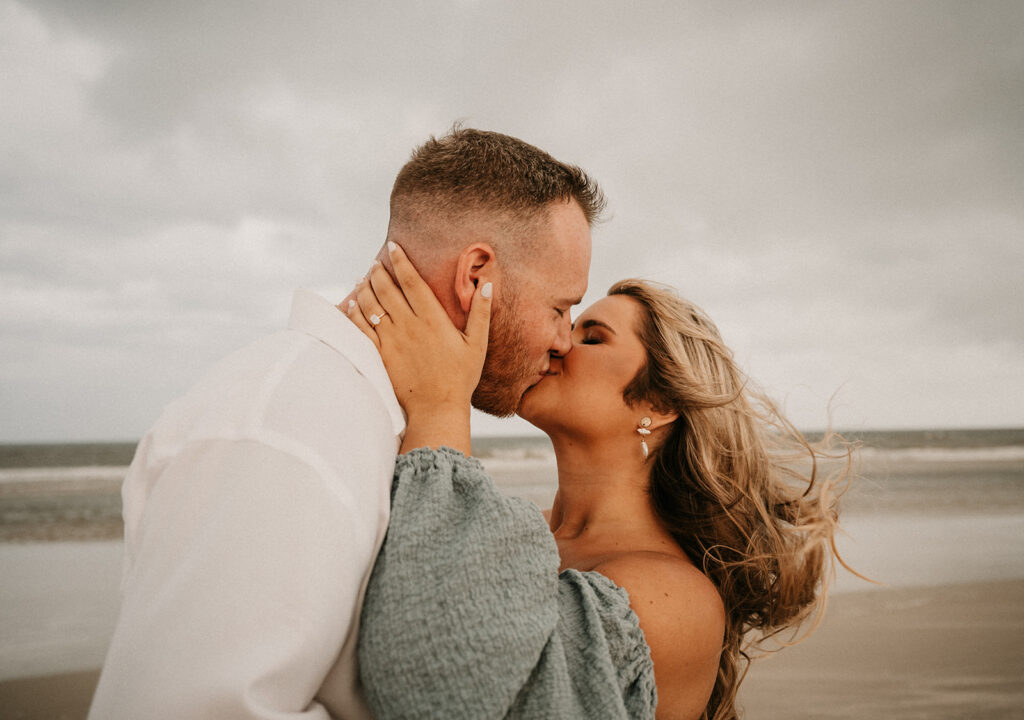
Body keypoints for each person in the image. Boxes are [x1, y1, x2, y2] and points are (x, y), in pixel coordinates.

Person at [88, 127, 602, 719]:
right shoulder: (286, 426)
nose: (565, 340)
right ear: (476, 276)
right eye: (560, 308)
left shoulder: (368, 419)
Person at [349, 246, 855, 720]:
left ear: (658, 404)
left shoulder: (677, 600)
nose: (560, 342)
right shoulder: (519, 532)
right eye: (567, 323)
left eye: (592, 337)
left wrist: (440, 408)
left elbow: (443, 695)